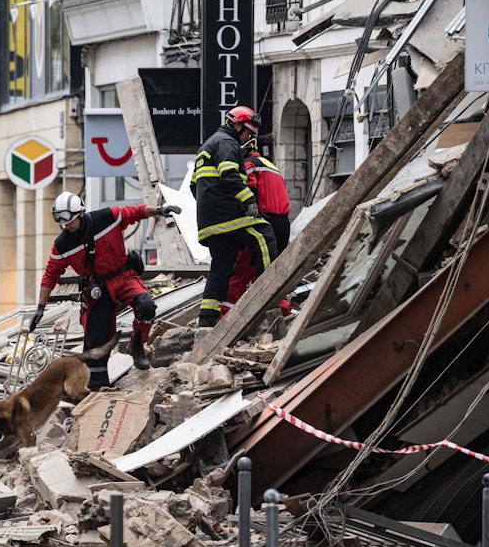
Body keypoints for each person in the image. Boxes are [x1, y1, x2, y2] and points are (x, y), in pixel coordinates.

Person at [29, 191, 182, 385]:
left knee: (146, 306)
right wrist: (40, 308)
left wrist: (159, 210)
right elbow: (50, 275)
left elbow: (135, 212)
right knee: (96, 341)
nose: (66, 226)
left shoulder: (107, 217)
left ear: (81, 213)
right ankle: (97, 387)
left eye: (70, 221)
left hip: (123, 276)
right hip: (97, 288)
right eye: (62, 222)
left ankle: (136, 345)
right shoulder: (62, 245)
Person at [191, 106, 278, 329]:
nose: (249, 137)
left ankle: (207, 320)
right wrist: (249, 201)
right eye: (248, 132)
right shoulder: (227, 143)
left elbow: (194, 186)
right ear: (237, 124)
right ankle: (272, 292)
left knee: (221, 266)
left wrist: (209, 206)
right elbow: (230, 176)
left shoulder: (207, 145)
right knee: (264, 234)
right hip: (227, 213)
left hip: (209, 220)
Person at [226, 136, 293, 316]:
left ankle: (226, 315)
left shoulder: (248, 165)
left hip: (264, 221)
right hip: (283, 223)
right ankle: (282, 310)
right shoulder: (272, 166)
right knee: (271, 270)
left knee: (242, 270)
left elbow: (249, 192)